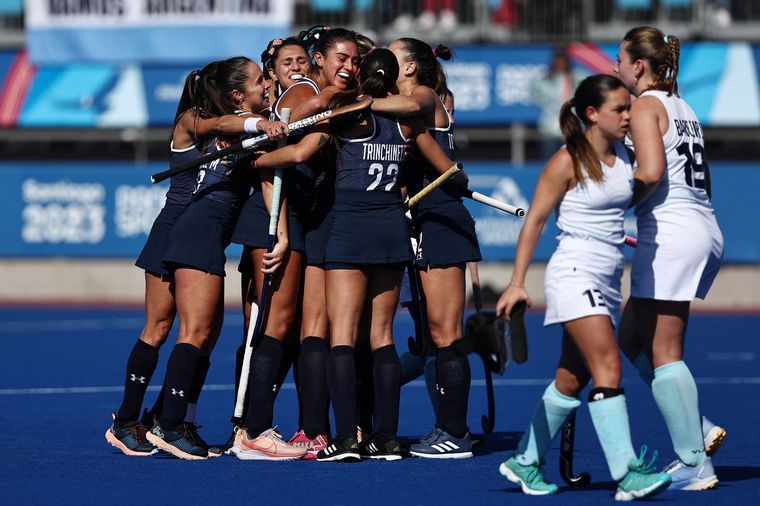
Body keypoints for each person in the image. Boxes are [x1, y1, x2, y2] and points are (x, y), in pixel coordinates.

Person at [249, 47, 466, 462]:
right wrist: (461, 178)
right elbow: (450, 171)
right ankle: (386, 439)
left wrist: (261, 158)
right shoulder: (407, 122)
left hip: (348, 230)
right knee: (382, 337)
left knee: (343, 337)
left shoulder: (344, 115)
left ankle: (346, 438)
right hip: (390, 232)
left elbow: (299, 151)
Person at [495, 74, 671, 499]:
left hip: (609, 277)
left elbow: (650, 170)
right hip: (574, 273)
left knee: (570, 379)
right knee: (607, 366)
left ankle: (524, 462)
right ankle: (627, 475)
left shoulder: (625, 157)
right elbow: (535, 220)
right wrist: (517, 283)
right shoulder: (566, 161)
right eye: (620, 109)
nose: (629, 115)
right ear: (592, 114)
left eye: (630, 107)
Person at [104, 60, 286, 457]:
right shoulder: (199, 119)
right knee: (173, 330)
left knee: (196, 332)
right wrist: (257, 125)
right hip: (179, 227)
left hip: (190, 230)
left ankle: (159, 419)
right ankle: (147, 422)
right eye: (259, 79)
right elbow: (223, 126)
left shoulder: (249, 119)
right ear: (235, 93)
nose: (266, 84)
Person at [229, 28, 361, 460]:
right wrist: (281, 230)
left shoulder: (323, 97)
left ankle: (267, 428)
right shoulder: (305, 91)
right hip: (274, 217)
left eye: (302, 61)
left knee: (285, 326)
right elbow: (277, 164)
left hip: (295, 219)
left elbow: (305, 146)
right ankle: (252, 431)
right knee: (273, 324)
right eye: (291, 63)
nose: (299, 69)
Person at [614, 26, 724, 491]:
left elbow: (653, 173)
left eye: (619, 59)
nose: (615, 67)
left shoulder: (644, 105)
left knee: (664, 351)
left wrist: (604, 207)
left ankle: (694, 464)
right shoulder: (682, 107)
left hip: (673, 231)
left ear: (638, 66)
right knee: (631, 336)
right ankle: (695, 429)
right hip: (696, 225)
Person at [371, 38, 481, 459]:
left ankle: (456, 434)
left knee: (446, 333)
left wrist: (357, 101)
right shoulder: (403, 102)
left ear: (412, 67)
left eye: (393, 56)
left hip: (439, 219)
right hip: (418, 221)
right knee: (431, 337)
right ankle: (446, 426)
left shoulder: (422, 96)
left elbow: (403, 108)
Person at [531, 47, 586, 160]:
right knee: (549, 160)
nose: (560, 63)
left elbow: (589, 88)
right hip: (550, 127)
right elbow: (534, 93)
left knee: (574, 160)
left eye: (562, 60)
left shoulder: (578, 76)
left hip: (572, 127)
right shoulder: (546, 79)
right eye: (557, 60)